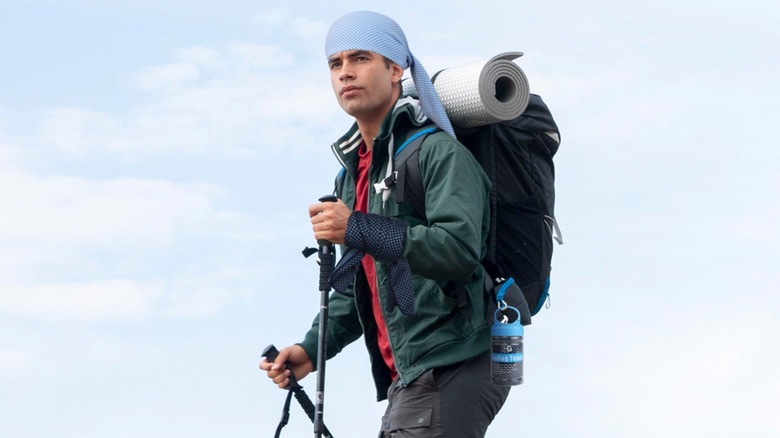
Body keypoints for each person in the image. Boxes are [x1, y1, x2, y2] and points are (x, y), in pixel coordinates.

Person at [260, 11, 511, 437]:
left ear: (396, 69)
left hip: (459, 357)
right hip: (411, 375)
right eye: (335, 64)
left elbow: (458, 250)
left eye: (360, 58)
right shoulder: (351, 175)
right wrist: (310, 350)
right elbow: (356, 282)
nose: (345, 73)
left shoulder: (437, 153)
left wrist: (358, 228)